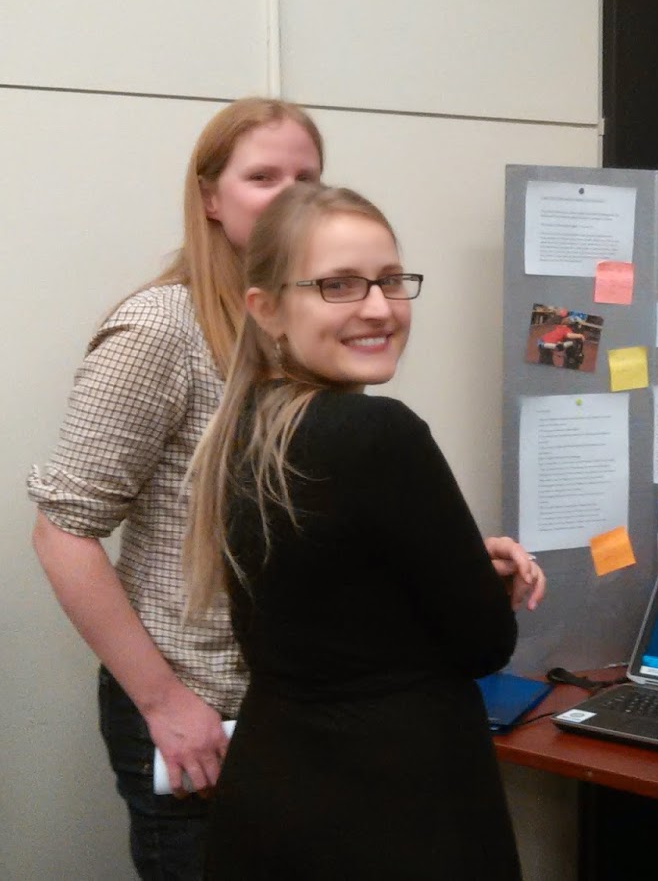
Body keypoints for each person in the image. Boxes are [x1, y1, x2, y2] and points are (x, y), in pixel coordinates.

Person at [184, 184, 545, 877]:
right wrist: (477, 583)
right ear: (267, 309)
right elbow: (483, 644)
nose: (378, 308)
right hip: (392, 814)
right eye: (339, 286)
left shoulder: (246, 429)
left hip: (275, 800)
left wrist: (457, 561)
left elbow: (338, 601)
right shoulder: (376, 434)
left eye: (389, 281)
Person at [28, 97, 324, 878]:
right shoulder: (163, 328)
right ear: (210, 197)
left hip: (291, 709)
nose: (290, 195)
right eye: (263, 176)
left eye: (307, 177)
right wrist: (164, 704)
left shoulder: (304, 328)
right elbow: (62, 532)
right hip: (194, 708)